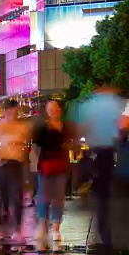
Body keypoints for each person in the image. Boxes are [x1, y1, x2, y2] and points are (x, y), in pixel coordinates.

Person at [74, 85, 127, 252]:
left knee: (102, 197)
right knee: (109, 195)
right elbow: (124, 124)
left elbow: (81, 128)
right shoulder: (120, 103)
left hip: (99, 153)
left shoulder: (88, 105)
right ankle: (110, 236)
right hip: (114, 152)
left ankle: (106, 237)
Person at [0, 99, 30, 246]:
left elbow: (24, 146)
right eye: (11, 112)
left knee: (16, 197)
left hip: (15, 164)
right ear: (5, 112)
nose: (13, 115)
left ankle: (16, 229)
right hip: (0, 164)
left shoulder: (21, 127)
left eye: (15, 112)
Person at [32, 100, 70, 251]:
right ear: (47, 111)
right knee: (44, 197)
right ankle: (42, 225)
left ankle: (56, 228)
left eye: (55, 108)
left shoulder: (65, 127)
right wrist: (34, 164)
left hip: (61, 166)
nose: (53, 111)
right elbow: (36, 147)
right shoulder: (42, 128)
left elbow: (67, 145)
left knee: (59, 198)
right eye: (50, 109)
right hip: (45, 166)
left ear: (59, 110)